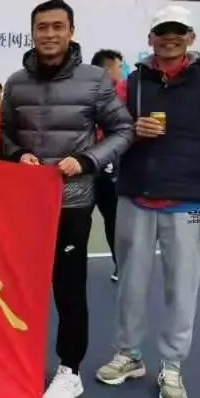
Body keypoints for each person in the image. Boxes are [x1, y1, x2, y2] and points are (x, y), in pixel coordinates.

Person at [96, 5, 200, 398]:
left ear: (191, 37)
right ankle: (129, 355)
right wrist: (132, 130)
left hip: (188, 203)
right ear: (151, 39)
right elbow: (107, 131)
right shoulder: (132, 84)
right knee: (130, 284)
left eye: (178, 31)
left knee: (182, 289)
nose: (170, 38)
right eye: (162, 31)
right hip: (136, 197)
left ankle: (172, 364)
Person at [0, 0, 134, 398]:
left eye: (57, 26)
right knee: (19, 288)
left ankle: (69, 370)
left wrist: (88, 160)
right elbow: (2, 133)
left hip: (72, 201)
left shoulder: (95, 80)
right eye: (42, 27)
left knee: (69, 288)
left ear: (71, 31)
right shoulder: (16, 82)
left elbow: (124, 130)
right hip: (26, 203)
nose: (49, 34)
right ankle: (19, 362)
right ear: (32, 32)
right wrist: (16, 154)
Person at [90, 49, 125, 282]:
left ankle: (120, 265)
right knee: (75, 222)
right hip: (82, 169)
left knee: (114, 220)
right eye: (119, 67)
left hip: (108, 170)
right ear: (107, 69)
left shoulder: (120, 96)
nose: (122, 71)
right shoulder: (84, 93)